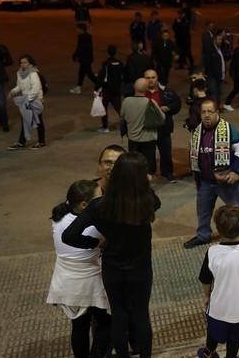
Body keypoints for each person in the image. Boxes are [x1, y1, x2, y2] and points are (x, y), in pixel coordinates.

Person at [62, 152, 160, 358]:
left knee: (119, 314)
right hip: (140, 268)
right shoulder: (146, 201)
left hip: (113, 268)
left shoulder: (99, 205)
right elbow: (155, 201)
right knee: (141, 314)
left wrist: (95, 243)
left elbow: (69, 235)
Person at [184, 100, 239, 248]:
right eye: (203, 112)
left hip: (226, 181)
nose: (206, 115)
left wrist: (236, 172)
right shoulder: (197, 132)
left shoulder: (228, 130)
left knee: (237, 208)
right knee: (203, 210)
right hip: (206, 181)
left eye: (210, 111)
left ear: (217, 113)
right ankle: (203, 235)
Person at [47, 180, 111, 358]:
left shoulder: (59, 217)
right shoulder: (93, 227)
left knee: (79, 326)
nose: (103, 199)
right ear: (84, 204)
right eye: (100, 197)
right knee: (107, 323)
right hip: (88, 282)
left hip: (65, 281)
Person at [197, 206, 239, 358]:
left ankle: (209, 352)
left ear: (218, 230)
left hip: (218, 307)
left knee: (214, 331)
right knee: (234, 338)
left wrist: (207, 297)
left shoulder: (212, 252)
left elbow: (205, 280)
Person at [120, 78, 166, 174]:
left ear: (134, 87)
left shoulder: (126, 101)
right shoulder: (150, 102)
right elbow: (162, 117)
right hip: (148, 140)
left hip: (133, 139)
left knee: (133, 165)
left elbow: (122, 115)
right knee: (147, 167)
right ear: (146, 89)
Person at [144, 69, 181, 181]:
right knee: (148, 153)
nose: (151, 80)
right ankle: (149, 172)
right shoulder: (140, 93)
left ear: (157, 78)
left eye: (153, 77)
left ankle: (167, 172)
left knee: (166, 152)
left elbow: (177, 103)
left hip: (163, 128)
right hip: (148, 129)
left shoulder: (167, 92)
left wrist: (168, 108)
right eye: (148, 78)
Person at [8, 55, 45, 150]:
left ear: (30, 63)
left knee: (38, 121)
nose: (22, 64)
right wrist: (13, 92)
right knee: (24, 120)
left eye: (25, 62)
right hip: (26, 101)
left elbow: (36, 88)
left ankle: (41, 141)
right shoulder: (19, 73)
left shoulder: (33, 73)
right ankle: (21, 142)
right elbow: (19, 86)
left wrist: (28, 100)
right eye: (21, 62)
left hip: (35, 100)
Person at [97, 45, 124, 133]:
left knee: (104, 108)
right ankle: (128, 123)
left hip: (107, 90)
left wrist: (97, 88)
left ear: (108, 52)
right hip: (116, 89)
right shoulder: (120, 63)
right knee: (119, 108)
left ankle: (105, 127)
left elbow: (102, 76)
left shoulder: (106, 63)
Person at [70, 24, 98, 95]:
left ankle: (99, 84)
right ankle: (78, 87)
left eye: (78, 29)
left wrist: (75, 55)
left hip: (85, 59)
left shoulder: (82, 37)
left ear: (81, 29)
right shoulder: (88, 36)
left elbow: (80, 48)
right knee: (82, 73)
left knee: (89, 74)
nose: (77, 30)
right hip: (87, 58)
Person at [202, 31, 227, 106]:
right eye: (219, 39)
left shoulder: (220, 49)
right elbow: (207, 63)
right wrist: (207, 74)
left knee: (219, 92)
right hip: (213, 76)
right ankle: (214, 107)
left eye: (221, 40)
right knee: (214, 92)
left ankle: (217, 107)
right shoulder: (210, 50)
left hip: (219, 75)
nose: (220, 41)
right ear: (214, 40)